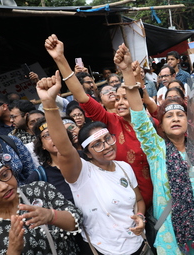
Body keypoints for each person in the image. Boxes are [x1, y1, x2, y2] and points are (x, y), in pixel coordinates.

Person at [114, 43, 194, 254]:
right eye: (169, 116)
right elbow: (139, 117)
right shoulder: (157, 150)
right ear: (161, 124)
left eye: (180, 115)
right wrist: (127, 73)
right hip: (172, 236)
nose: (175, 119)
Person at [36, 70, 146, 255]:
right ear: (86, 152)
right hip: (104, 251)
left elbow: (139, 200)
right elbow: (64, 147)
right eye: (97, 144)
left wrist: (141, 216)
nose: (107, 146)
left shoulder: (124, 167)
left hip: (140, 246)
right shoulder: (81, 174)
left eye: (108, 139)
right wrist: (48, 103)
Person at [44, 34, 153, 208]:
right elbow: (81, 95)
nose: (120, 102)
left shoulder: (151, 125)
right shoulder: (111, 122)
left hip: (162, 201)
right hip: (125, 207)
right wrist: (60, 59)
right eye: (116, 99)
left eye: (126, 97)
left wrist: (129, 72)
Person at [0, 153, 82, 254]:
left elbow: (77, 219)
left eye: (4, 175)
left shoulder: (39, 190)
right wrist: (13, 250)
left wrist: (52, 216)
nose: (3, 186)